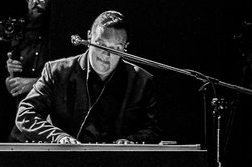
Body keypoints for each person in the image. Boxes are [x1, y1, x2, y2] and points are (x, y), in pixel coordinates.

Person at [15, 10, 159, 144]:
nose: (106, 54)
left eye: (116, 48)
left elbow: (153, 130)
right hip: (67, 158)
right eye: (101, 45)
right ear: (89, 37)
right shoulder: (57, 72)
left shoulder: (142, 81)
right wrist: (58, 137)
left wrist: (130, 141)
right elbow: (26, 114)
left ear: (125, 47)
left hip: (117, 160)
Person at [3, 0, 50, 141]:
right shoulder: (21, 31)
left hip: (49, 123)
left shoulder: (56, 31)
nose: (34, 2)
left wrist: (32, 83)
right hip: (22, 123)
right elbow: (13, 83)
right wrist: (11, 80)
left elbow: (65, 79)